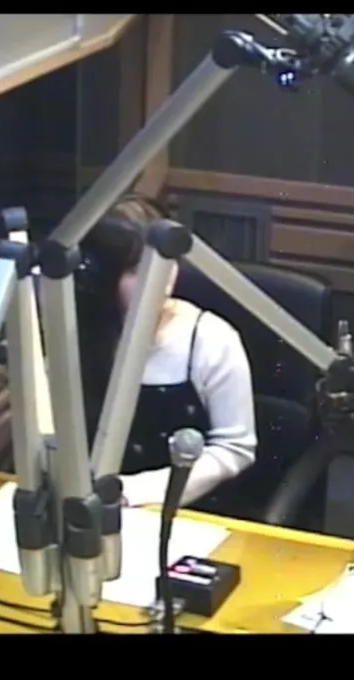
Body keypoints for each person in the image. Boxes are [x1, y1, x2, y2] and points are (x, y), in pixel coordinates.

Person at [75, 196, 257, 509]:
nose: (158, 279)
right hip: (92, 511)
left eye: (165, 263)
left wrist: (133, 493)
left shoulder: (211, 340)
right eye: (136, 270)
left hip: (186, 513)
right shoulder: (76, 333)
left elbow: (235, 448)